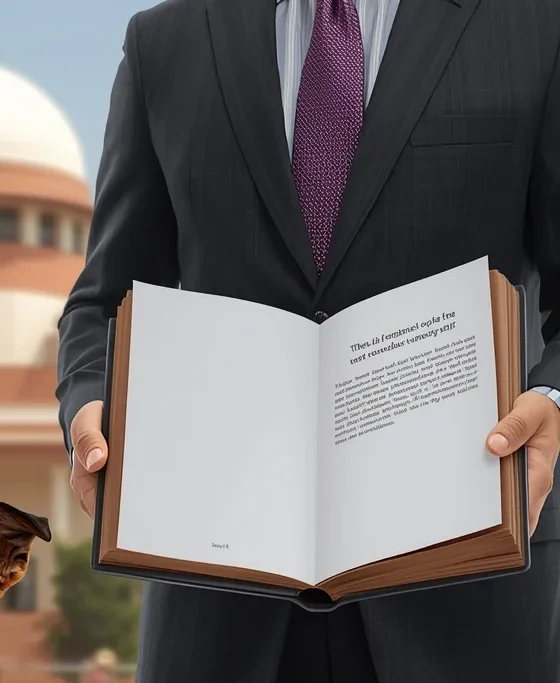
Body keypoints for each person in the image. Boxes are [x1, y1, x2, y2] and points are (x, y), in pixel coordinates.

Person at [56, 0, 560, 681]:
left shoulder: (535, 25)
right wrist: (90, 400)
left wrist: (553, 399)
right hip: (218, 595)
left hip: (469, 588)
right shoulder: (166, 41)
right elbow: (104, 299)